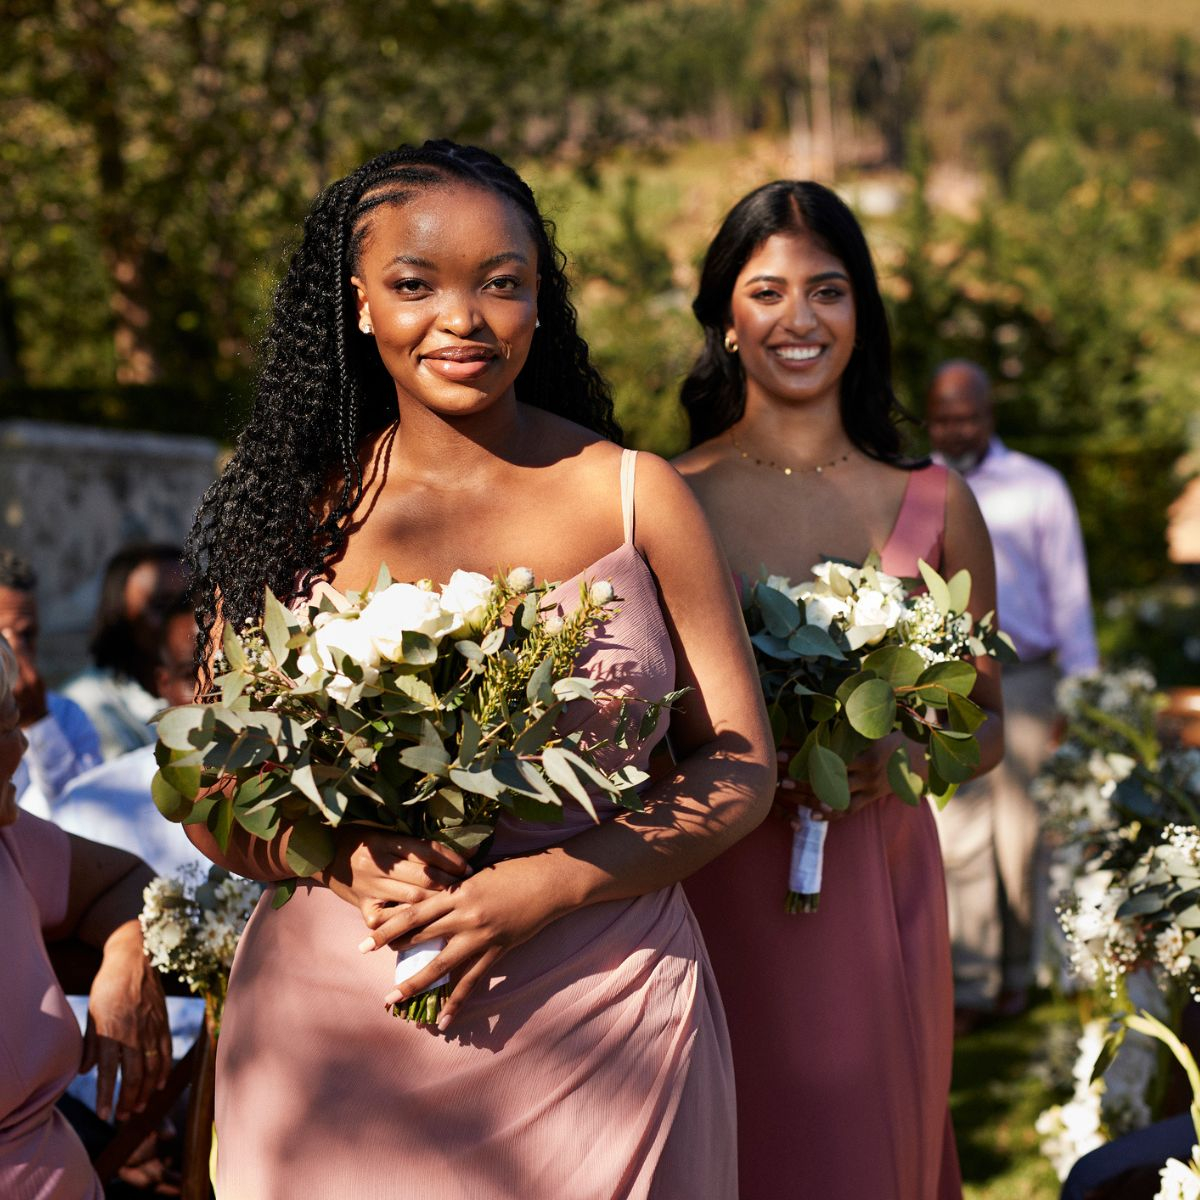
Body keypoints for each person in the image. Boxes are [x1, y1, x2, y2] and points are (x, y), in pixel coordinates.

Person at [180, 139, 774, 1199]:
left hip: (606, 1017)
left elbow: (737, 768)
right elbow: (209, 794)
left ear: (539, 303)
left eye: (503, 283)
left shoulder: (635, 497)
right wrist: (341, 856)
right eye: (416, 284)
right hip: (335, 1044)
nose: (463, 318)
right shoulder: (290, 516)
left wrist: (549, 884)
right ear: (359, 305)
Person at [673, 180, 1005, 1200]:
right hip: (709, 892)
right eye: (767, 291)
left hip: (874, 894)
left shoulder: (937, 505)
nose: (799, 318)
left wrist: (906, 754)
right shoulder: (663, 497)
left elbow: (983, 721)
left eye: (828, 290)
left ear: (860, 315)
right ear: (727, 319)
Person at [926, 359, 1099, 1028]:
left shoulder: (1038, 487)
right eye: (944, 417)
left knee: (1023, 836)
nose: (956, 427)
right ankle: (971, 983)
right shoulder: (920, 486)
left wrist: (1078, 698)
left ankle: (1020, 973)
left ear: (989, 415)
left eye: (967, 415)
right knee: (958, 834)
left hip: (1028, 679)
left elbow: (1070, 592)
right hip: (950, 681)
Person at [0, 633, 172, 1200]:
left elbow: (129, 881)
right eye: (3, 727)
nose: (22, 747)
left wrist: (127, 955)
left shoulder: (11, 841)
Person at [0, 549, 102, 816]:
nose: (14, 651)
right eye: (1, 637)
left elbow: (90, 813)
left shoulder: (66, 715)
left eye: (26, 635)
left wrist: (37, 722)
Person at [62, 544, 186, 760]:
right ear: (120, 617)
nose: (184, 620)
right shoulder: (91, 702)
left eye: (190, 602)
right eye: (162, 606)